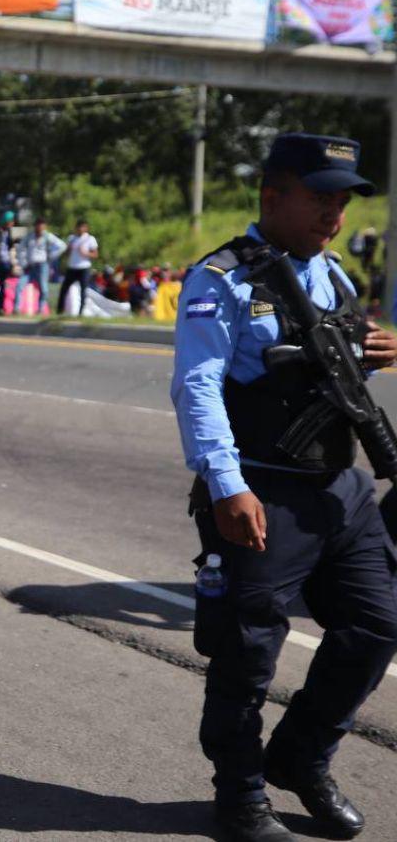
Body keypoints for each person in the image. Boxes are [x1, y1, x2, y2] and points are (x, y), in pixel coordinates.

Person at [172, 133, 397, 842]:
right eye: (320, 195)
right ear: (273, 196)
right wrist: (225, 484)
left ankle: (301, 758)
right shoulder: (223, 277)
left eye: (342, 198)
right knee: (248, 653)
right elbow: (197, 385)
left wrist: (377, 350)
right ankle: (239, 795)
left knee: (377, 624)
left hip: (340, 487)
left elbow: (331, 374)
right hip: (262, 488)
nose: (334, 211)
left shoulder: (334, 275)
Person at [15, 217, 65, 315]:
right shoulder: (29, 236)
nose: (40, 229)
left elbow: (62, 246)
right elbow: (20, 249)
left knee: (44, 288)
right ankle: (16, 308)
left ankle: (41, 309)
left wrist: (51, 256)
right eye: (38, 226)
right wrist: (23, 263)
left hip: (43, 265)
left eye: (42, 227)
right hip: (30, 266)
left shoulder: (48, 237)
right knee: (20, 285)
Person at [57, 221, 98, 316]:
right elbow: (66, 254)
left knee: (83, 290)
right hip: (72, 268)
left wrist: (86, 253)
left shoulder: (90, 239)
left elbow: (95, 254)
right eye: (78, 227)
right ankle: (59, 311)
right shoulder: (72, 238)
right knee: (64, 289)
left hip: (84, 268)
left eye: (82, 227)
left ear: (86, 228)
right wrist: (69, 249)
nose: (80, 229)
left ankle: (81, 312)